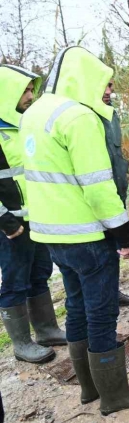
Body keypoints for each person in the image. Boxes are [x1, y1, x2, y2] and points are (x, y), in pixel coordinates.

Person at [20, 46, 129, 415]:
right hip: (86, 236)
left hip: (52, 236)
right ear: (82, 78)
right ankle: (115, 396)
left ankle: (89, 389)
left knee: (78, 307)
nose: (107, 91)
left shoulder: (34, 113)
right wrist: (125, 237)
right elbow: (98, 186)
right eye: (103, 84)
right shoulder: (78, 117)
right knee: (101, 313)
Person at [0, 64, 67, 364]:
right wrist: (5, 221)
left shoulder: (23, 124)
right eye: (24, 91)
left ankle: (47, 329)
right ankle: (21, 343)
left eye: (31, 90)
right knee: (15, 280)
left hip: (36, 216)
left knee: (40, 273)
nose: (30, 96)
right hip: (10, 223)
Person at [101, 79, 129, 307]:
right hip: (98, 196)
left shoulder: (111, 115)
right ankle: (104, 298)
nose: (109, 91)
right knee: (97, 257)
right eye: (103, 86)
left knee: (112, 249)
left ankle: (113, 291)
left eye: (111, 86)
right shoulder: (84, 118)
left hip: (115, 193)